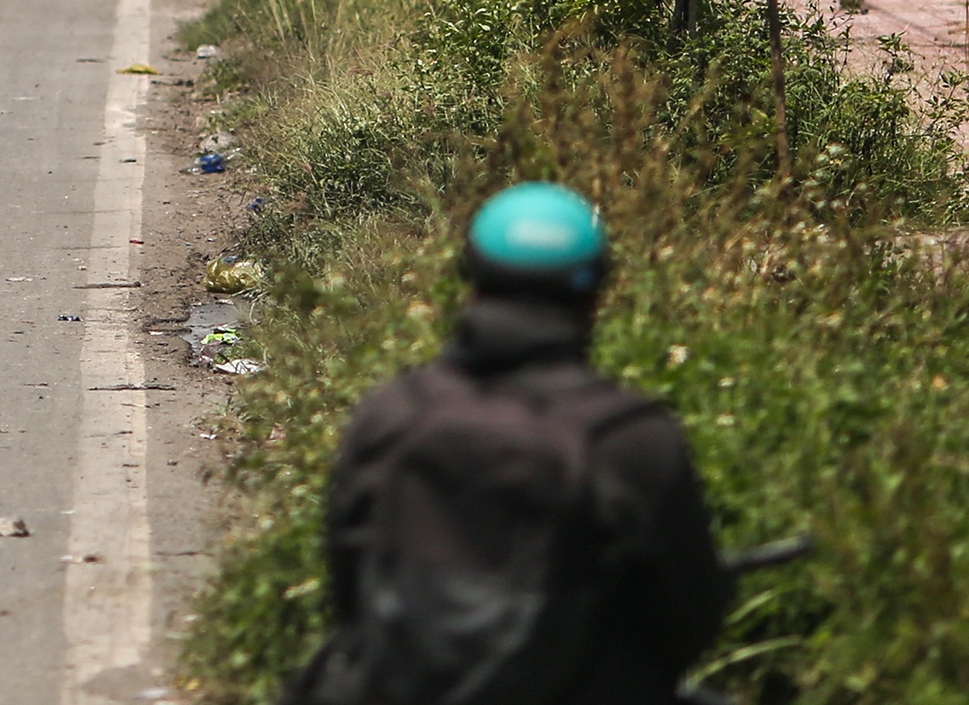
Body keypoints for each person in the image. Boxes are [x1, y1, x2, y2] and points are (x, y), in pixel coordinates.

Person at [288, 183, 728, 705]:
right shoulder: (633, 439)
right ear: (594, 297)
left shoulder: (393, 412)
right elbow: (689, 621)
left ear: (471, 284)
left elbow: (350, 583)